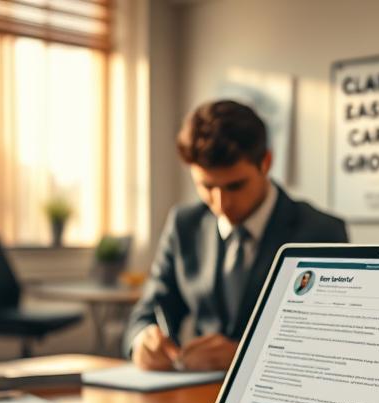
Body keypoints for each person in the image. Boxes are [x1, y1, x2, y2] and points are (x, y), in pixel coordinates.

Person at [124, 100, 348, 371]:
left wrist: (246, 355)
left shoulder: (320, 231)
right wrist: (142, 342)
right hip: (192, 394)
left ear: (266, 162)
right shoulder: (184, 224)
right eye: (206, 186)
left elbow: (332, 342)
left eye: (235, 186)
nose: (221, 204)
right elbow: (147, 312)